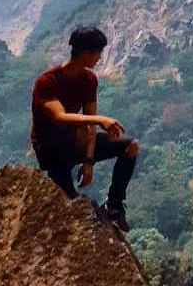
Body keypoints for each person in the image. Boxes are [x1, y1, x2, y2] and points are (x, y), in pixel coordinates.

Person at [30, 26, 138, 231]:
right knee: (73, 209)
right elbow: (60, 117)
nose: (99, 58)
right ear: (86, 53)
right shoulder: (47, 82)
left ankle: (114, 205)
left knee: (130, 146)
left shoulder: (89, 80)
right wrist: (99, 120)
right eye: (98, 53)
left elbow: (88, 124)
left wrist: (88, 161)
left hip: (77, 141)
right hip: (51, 150)